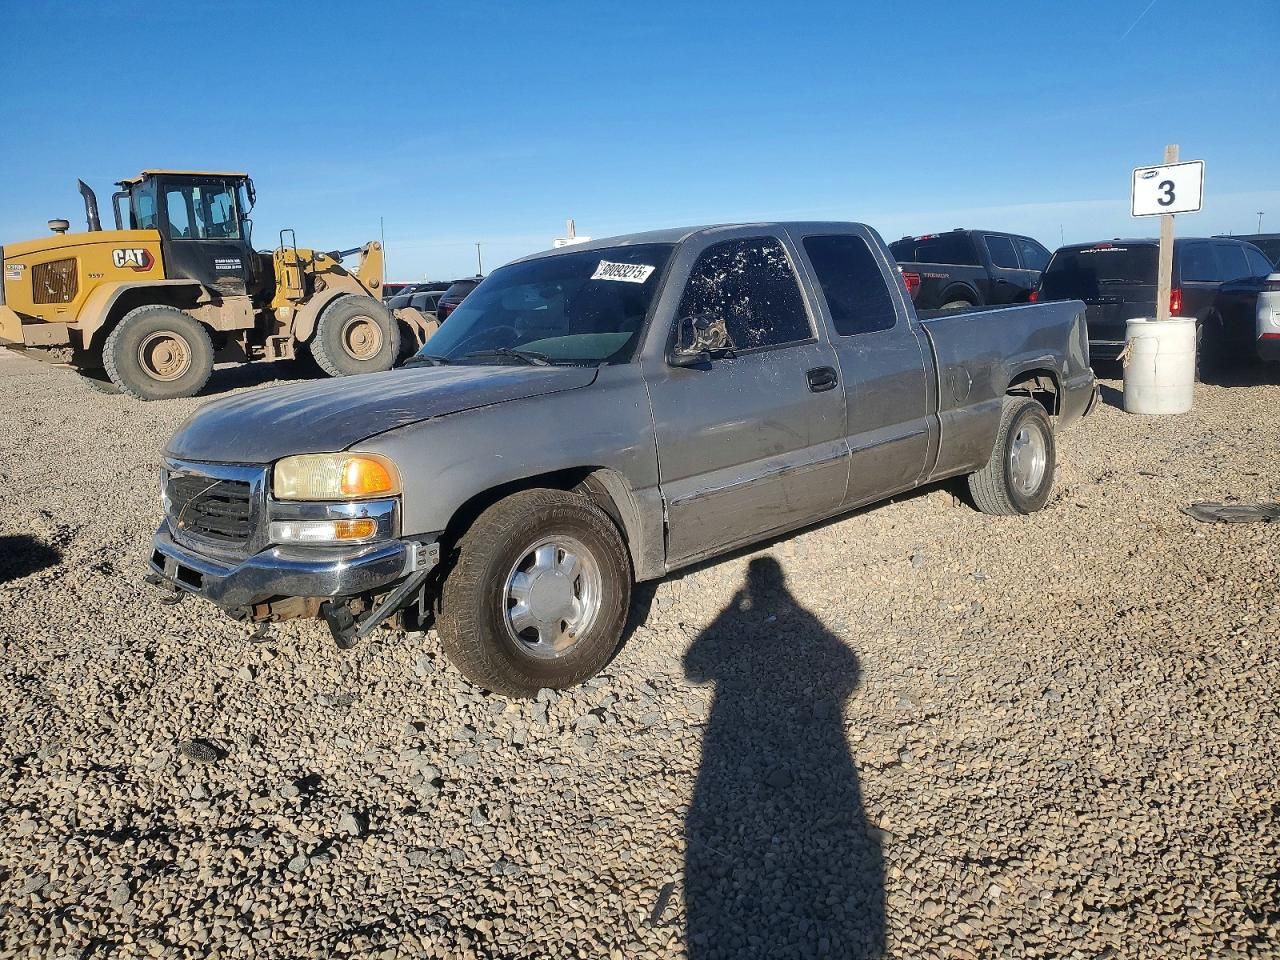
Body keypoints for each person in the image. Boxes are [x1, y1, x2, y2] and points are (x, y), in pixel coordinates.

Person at [683, 556, 885, 959]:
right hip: (821, 746)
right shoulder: (805, 622)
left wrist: (727, 614)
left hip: (733, 736)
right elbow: (849, 665)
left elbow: (694, 668)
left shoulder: (774, 620)